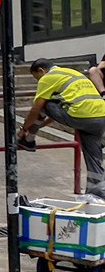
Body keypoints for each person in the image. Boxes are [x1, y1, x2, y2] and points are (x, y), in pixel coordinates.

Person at [18, 59, 105, 198]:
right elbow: (58, 112)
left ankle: (28, 140)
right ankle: (97, 195)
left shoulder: (48, 78)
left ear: (41, 70)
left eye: (37, 78)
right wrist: (39, 126)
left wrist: (23, 129)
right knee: (94, 159)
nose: (38, 81)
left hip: (79, 115)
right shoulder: (71, 73)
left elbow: (36, 108)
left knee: (44, 103)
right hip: (100, 116)